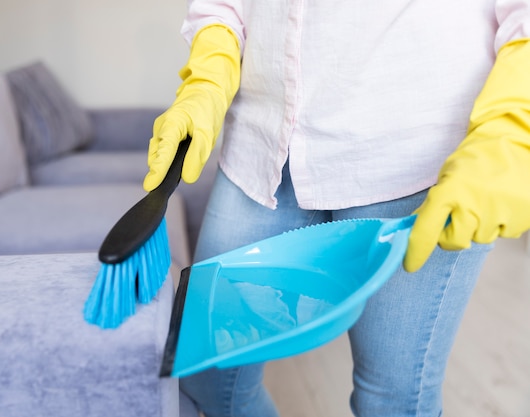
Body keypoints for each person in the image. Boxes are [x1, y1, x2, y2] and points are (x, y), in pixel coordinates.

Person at [143, 1, 530, 416]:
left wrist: (509, 134)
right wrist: (206, 81)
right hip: (261, 151)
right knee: (203, 374)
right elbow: (223, 7)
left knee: (389, 401)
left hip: (415, 159)